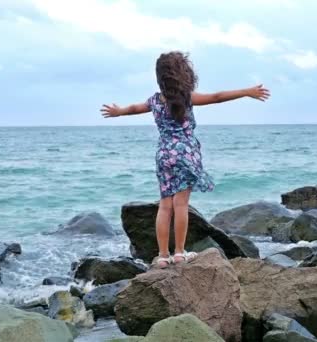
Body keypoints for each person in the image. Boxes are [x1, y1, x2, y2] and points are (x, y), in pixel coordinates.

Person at [101, 51, 270, 267]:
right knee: (181, 205)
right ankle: (179, 252)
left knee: (164, 206)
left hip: (164, 155)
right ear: (183, 75)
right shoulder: (186, 98)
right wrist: (246, 92)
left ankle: (163, 256)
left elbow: (135, 108)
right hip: (185, 153)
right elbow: (217, 97)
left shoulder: (154, 100)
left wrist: (119, 111)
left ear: (160, 77)